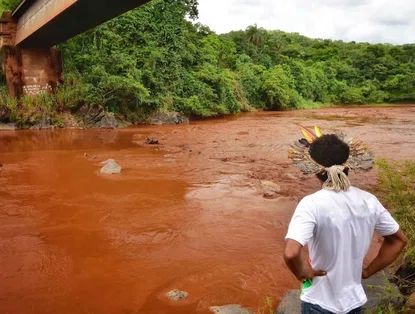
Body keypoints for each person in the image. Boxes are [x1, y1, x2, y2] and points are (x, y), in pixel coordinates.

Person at [284, 134, 408, 314]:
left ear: (316, 170)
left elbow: (290, 253)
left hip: (319, 301)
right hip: (354, 301)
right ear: (349, 165)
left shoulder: (311, 204)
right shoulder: (369, 201)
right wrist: (367, 271)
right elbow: (398, 241)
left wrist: (302, 272)